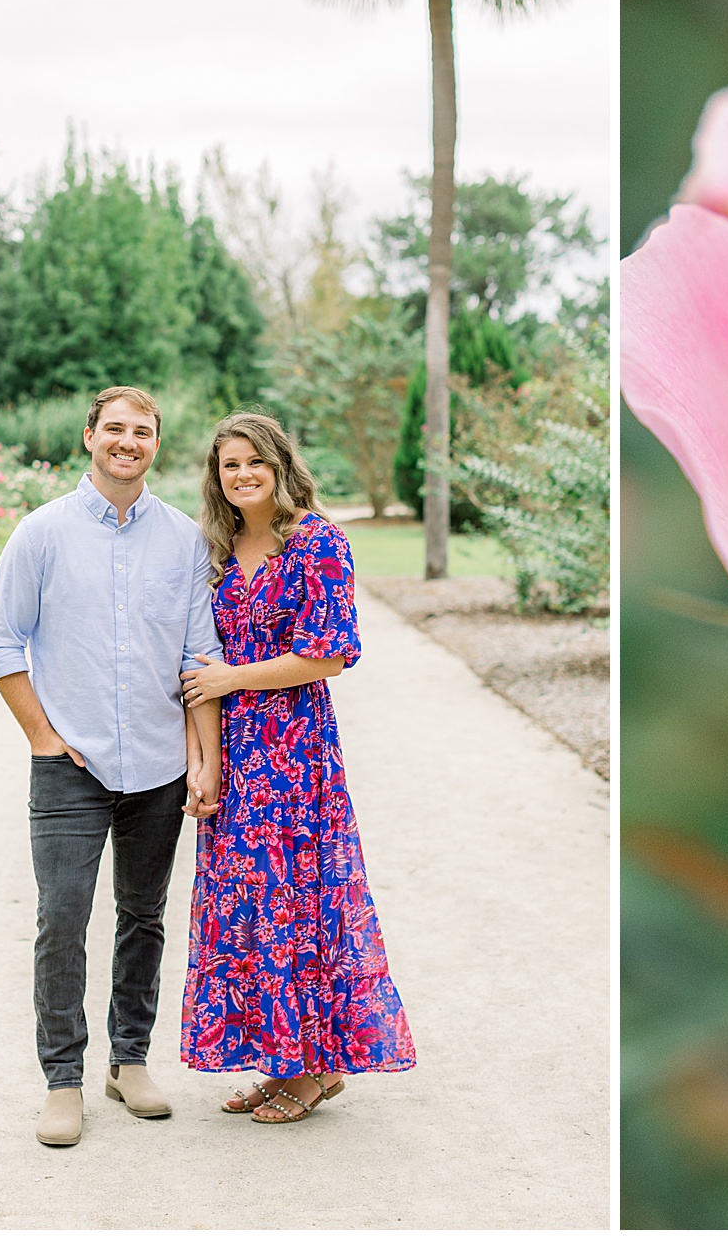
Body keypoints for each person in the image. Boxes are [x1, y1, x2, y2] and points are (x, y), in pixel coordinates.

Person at [0, 386, 222, 1148]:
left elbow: (198, 659)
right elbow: (1, 642)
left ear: (155, 444)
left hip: (155, 765)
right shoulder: (42, 533)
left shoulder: (184, 540)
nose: (127, 440)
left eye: (141, 431)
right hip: (70, 767)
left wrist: (202, 758)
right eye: (114, 428)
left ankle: (128, 1060)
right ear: (89, 437)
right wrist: (43, 738)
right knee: (61, 920)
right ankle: (62, 1080)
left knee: (143, 917)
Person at [178, 410, 415, 1123]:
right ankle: (280, 1061)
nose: (243, 474)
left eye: (255, 461)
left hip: (296, 750)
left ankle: (316, 1069)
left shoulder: (316, 540)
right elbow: (197, 664)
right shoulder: (218, 548)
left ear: (280, 465)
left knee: (302, 901)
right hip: (237, 751)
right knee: (247, 907)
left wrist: (234, 679)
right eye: (230, 465)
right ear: (217, 478)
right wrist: (205, 760)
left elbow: (331, 653)